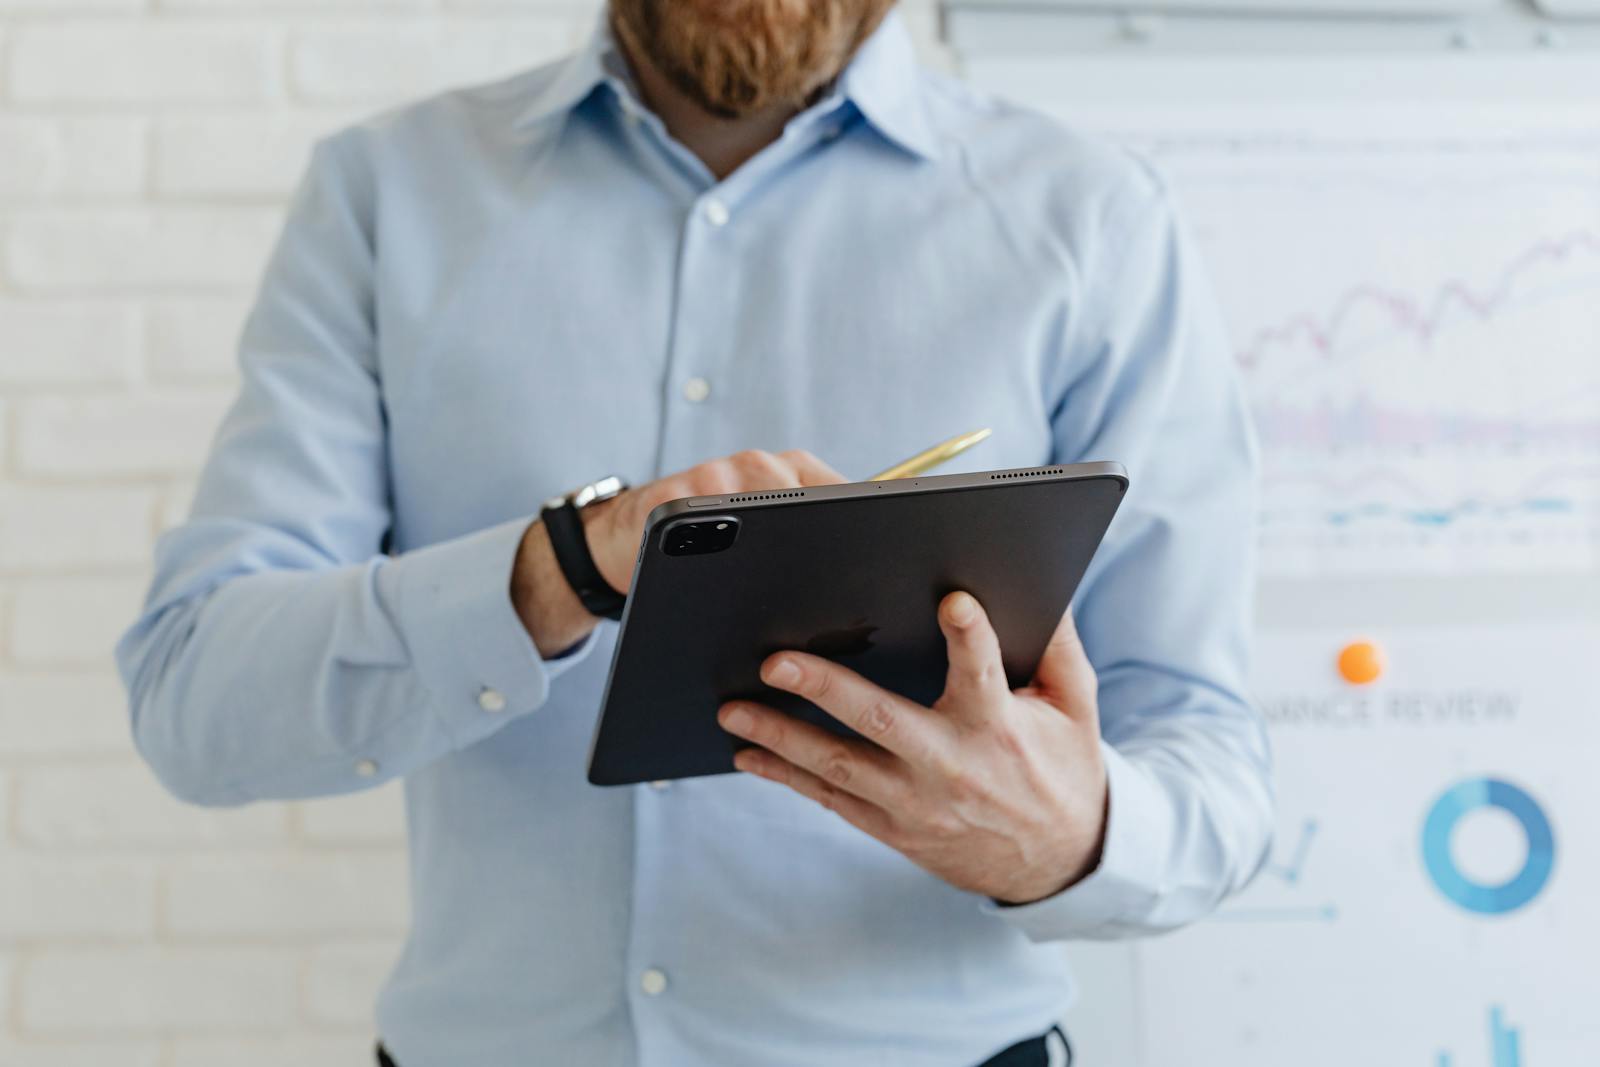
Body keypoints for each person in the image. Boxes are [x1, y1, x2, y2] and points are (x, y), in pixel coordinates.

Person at [116, 1, 1273, 1064]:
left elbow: (1211, 766)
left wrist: (1071, 834)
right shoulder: (386, 194)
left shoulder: (1092, 219)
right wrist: (561, 568)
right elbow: (198, 706)